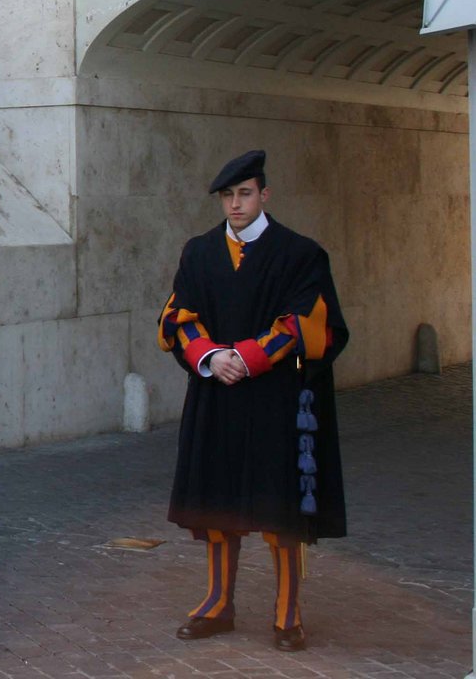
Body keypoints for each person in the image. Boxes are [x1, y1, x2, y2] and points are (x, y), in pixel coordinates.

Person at [157, 149, 348, 653]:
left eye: (244, 194)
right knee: (218, 504)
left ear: (265, 194)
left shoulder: (300, 254)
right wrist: (210, 357)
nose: (235, 204)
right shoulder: (198, 253)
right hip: (216, 393)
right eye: (228, 196)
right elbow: (180, 317)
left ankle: (288, 613)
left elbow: (306, 320)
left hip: (275, 398)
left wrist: (247, 357)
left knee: (278, 506)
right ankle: (218, 603)